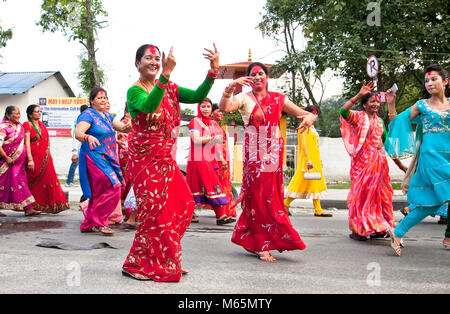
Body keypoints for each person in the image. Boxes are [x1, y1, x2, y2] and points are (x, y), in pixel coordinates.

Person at [122, 43, 220, 281]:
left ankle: (164, 257)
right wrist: (165, 74)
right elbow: (149, 106)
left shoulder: (171, 88)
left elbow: (197, 96)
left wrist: (213, 71)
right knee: (154, 213)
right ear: (137, 63)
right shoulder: (134, 92)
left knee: (184, 205)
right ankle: (137, 264)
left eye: (157, 58)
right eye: (148, 58)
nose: (154, 62)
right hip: (146, 160)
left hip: (167, 158)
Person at [218, 62, 316, 263]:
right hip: (254, 153)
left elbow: (305, 113)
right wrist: (229, 88)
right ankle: (261, 243)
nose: (257, 77)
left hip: (273, 153)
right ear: (248, 79)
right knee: (257, 198)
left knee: (271, 198)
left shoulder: (279, 99)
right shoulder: (244, 98)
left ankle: (262, 240)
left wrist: (310, 119)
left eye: (260, 73)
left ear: (267, 77)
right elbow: (224, 107)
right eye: (253, 75)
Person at [384, 64, 449, 255]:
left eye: (434, 79)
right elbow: (398, 122)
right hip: (432, 158)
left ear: (446, 81)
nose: (429, 83)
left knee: (432, 203)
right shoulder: (422, 106)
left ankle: (397, 232)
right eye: (427, 80)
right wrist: (391, 104)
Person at [339, 81, 394, 241]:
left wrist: (399, 162)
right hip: (361, 165)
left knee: (377, 196)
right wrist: (358, 95)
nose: (376, 104)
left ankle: (376, 226)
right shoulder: (358, 118)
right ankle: (358, 228)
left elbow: (386, 144)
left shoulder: (380, 122)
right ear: (364, 105)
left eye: (377, 101)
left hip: (378, 166)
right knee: (361, 196)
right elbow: (343, 111)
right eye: (372, 101)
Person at [75, 87, 131, 236]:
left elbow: (123, 128)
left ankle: (88, 224)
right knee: (115, 186)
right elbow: (78, 133)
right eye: (100, 98)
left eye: (105, 98)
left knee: (100, 192)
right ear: (92, 101)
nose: (103, 100)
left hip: (108, 157)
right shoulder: (87, 115)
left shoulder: (106, 116)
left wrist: (131, 123)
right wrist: (88, 137)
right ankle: (100, 222)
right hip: (94, 156)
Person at [186, 98, 235, 225]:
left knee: (194, 187)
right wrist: (213, 138)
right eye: (203, 106)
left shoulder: (212, 124)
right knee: (211, 184)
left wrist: (221, 158)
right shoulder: (194, 122)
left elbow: (216, 144)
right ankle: (220, 214)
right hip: (199, 159)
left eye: (208, 107)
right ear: (199, 108)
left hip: (211, 159)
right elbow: (196, 140)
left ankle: (189, 213)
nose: (206, 109)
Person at [284, 105, 332, 217]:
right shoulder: (303, 127)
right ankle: (285, 203)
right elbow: (304, 146)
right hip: (308, 160)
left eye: (316, 114)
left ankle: (318, 209)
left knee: (315, 183)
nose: (315, 116)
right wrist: (308, 161)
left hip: (314, 158)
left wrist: (317, 160)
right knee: (301, 183)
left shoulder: (312, 127)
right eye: (313, 114)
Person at [23, 104, 69, 213]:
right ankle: (30, 207)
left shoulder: (41, 125)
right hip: (33, 158)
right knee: (32, 182)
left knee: (48, 181)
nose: (39, 113)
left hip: (45, 159)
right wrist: (30, 159)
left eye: (40, 111)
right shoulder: (27, 125)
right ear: (30, 114)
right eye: (36, 111)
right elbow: (27, 143)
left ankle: (51, 205)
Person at [0, 106, 39, 216]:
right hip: (7, 163)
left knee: (22, 184)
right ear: (8, 115)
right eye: (16, 114)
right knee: (2, 186)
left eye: (19, 113)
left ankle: (28, 208)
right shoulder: (3, 128)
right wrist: (6, 158)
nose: (19, 116)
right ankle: (28, 208)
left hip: (19, 165)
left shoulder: (19, 126)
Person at [211, 103, 236, 217]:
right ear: (212, 114)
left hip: (224, 158)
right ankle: (224, 210)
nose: (221, 114)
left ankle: (228, 209)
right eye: (218, 111)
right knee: (220, 184)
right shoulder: (212, 126)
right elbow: (215, 145)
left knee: (225, 183)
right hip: (219, 159)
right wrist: (221, 159)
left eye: (222, 112)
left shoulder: (218, 126)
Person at [65, 104, 89, 187]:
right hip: (79, 145)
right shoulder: (80, 120)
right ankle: (69, 181)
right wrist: (74, 151)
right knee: (75, 163)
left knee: (80, 164)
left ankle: (71, 181)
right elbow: (76, 136)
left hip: (82, 145)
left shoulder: (82, 119)